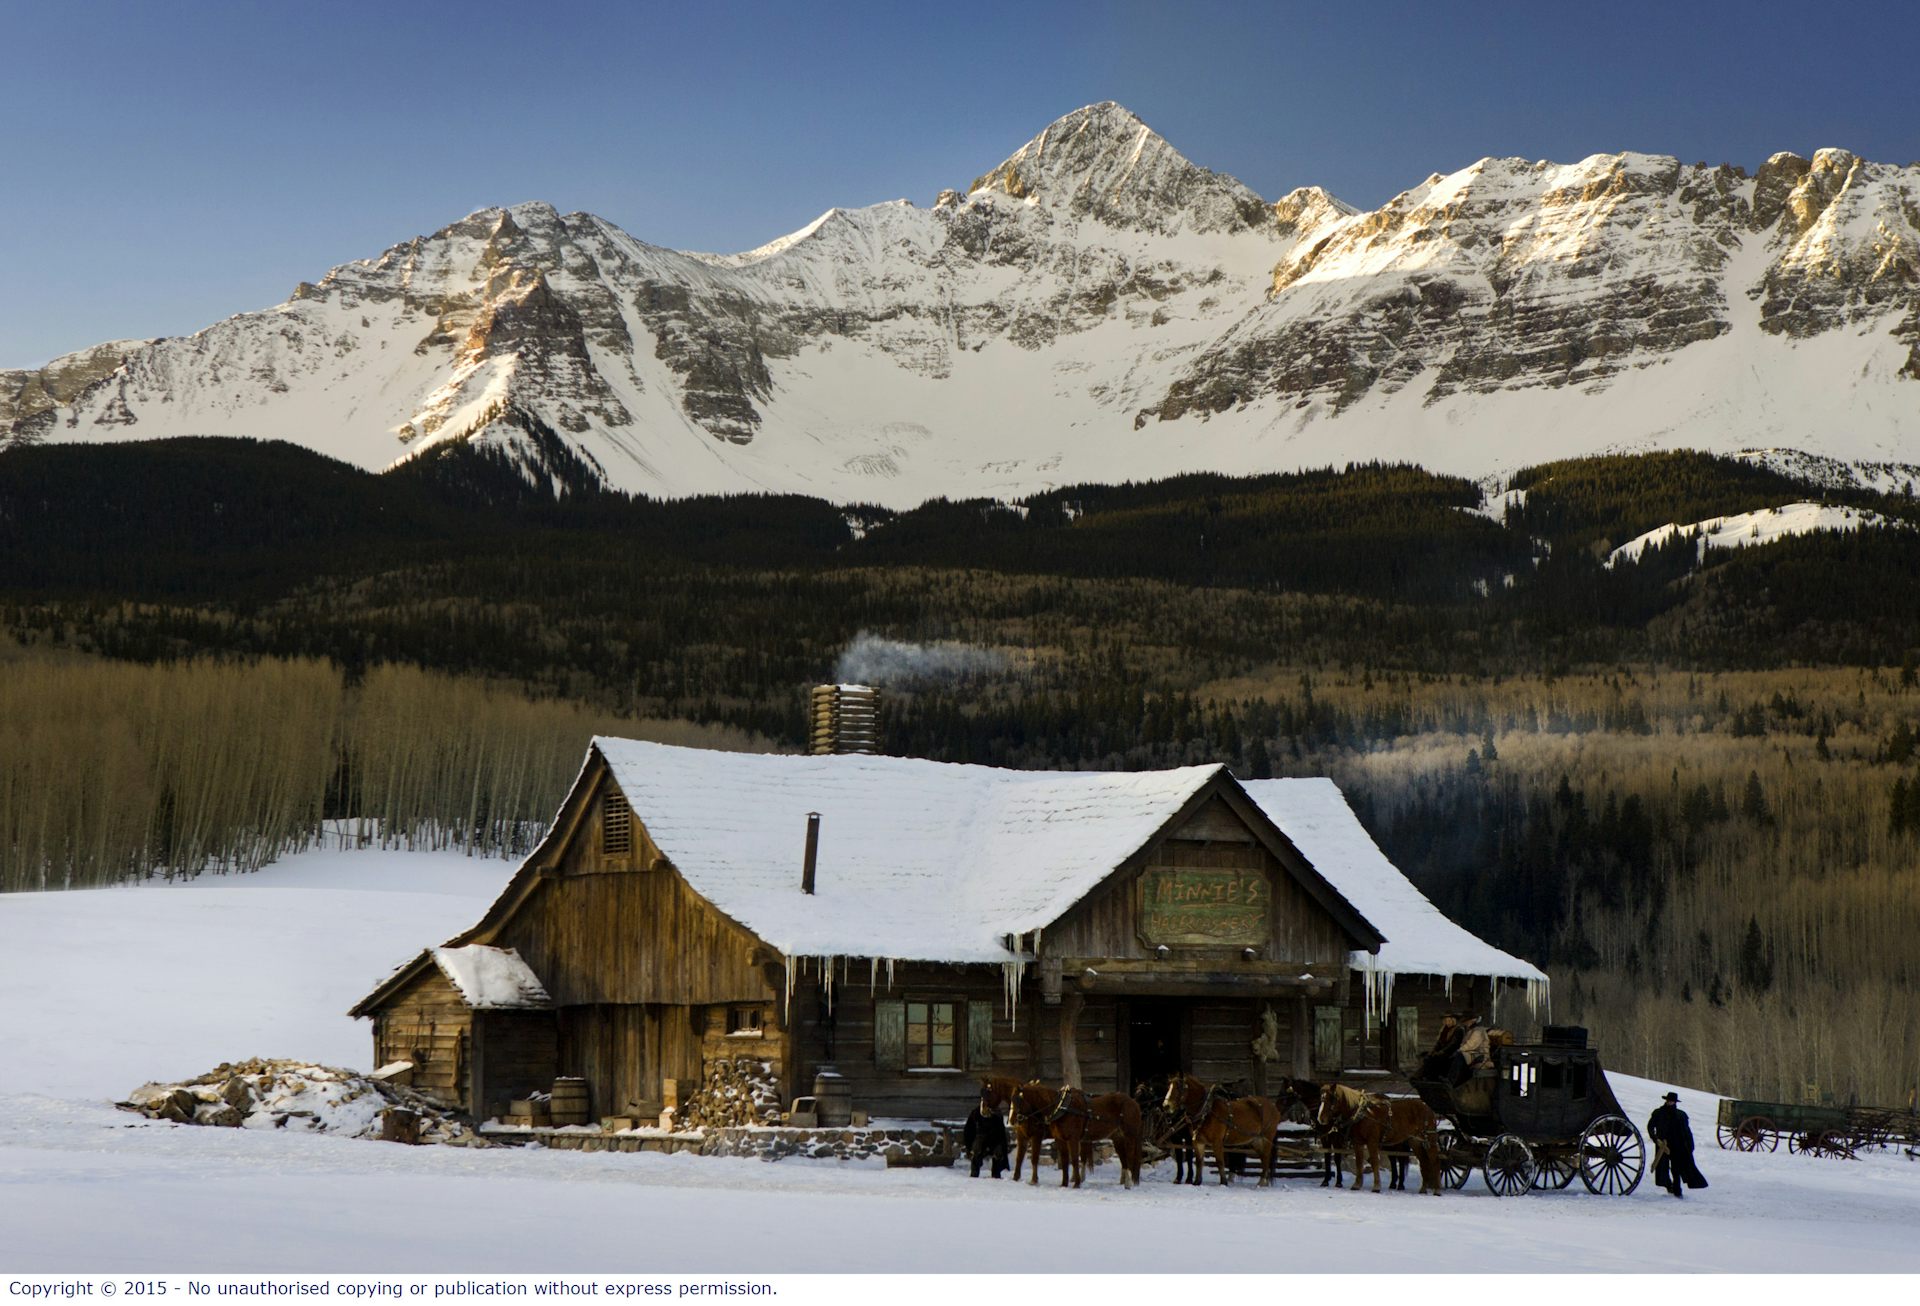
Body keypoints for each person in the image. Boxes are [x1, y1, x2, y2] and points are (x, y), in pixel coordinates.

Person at [1646, 1091, 1708, 1198]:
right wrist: (1656, 1139)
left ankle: (1677, 1189)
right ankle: (1669, 1186)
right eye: (1669, 1101)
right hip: (1663, 1145)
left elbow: (1686, 1132)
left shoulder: (1681, 1115)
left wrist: (1689, 1146)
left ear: (1675, 1102)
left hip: (1677, 1145)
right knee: (1663, 1168)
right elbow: (1650, 1127)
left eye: (1672, 1101)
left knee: (1676, 1168)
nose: (1670, 1103)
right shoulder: (1658, 1113)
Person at [963, 1099, 1010, 1178]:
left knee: (998, 1152)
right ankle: (974, 1174)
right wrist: (968, 1147)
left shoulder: (997, 1114)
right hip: (980, 1138)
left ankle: (996, 1175)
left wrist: (1003, 1150)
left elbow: (1001, 1133)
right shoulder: (976, 1113)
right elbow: (968, 1130)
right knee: (976, 1151)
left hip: (994, 1140)